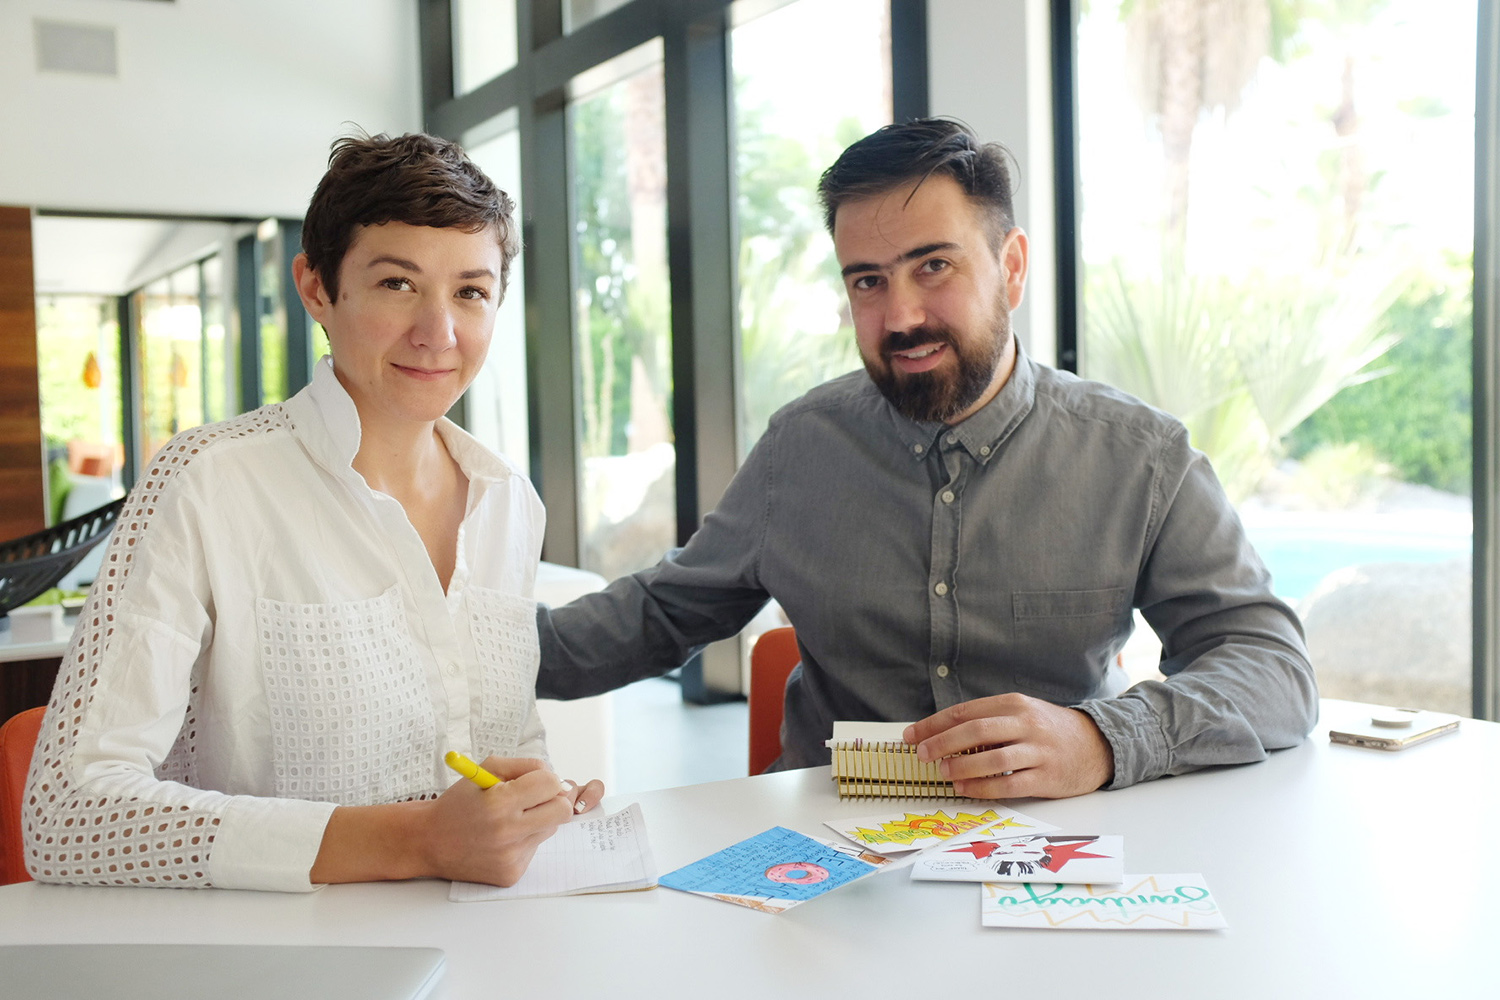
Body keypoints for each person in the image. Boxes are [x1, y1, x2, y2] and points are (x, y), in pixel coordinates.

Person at [537, 118, 1317, 798]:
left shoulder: (1142, 458)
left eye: (933, 267)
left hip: (1051, 855)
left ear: (1010, 266)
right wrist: (457, 651)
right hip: (825, 864)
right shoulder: (800, 449)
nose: (900, 316)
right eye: (868, 282)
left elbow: (1270, 666)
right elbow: (659, 614)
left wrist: (1103, 739)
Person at [23, 132, 603, 892]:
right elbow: (65, 817)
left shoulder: (509, 504)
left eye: (470, 291)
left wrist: (532, 805)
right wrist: (422, 840)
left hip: (480, 944)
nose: (439, 333)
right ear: (317, 289)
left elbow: (501, 740)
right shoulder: (208, 482)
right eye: (398, 284)